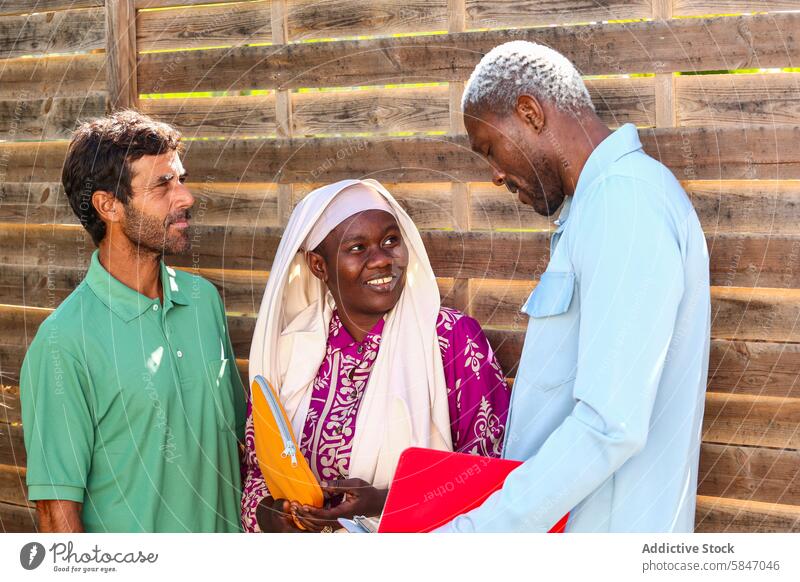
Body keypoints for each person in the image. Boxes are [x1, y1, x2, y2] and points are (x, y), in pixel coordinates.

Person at [435, 41, 710, 532]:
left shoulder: (625, 203)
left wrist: (470, 539)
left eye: (490, 149)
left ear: (529, 112)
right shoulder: (597, 207)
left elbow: (609, 426)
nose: (495, 174)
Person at [20, 111, 247, 532]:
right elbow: (57, 513)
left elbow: (238, 442)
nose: (185, 197)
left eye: (180, 179)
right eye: (163, 184)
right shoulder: (64, 342)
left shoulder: (204, 302)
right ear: (109, 206)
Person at [243, 179, 510, 532]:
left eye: (390, 241)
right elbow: (258, 468)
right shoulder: (289, 351)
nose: (382, 260)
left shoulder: (451, 340)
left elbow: (493, 478)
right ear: (319, 266)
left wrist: (385, 499)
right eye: (357, 247)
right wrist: (270, 515)